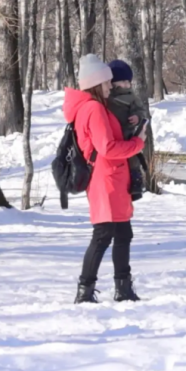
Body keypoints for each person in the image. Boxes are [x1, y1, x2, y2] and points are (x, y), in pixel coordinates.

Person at [62, 54, 147, 304]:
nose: (111, 86)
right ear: (97, 84)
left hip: (112, 178)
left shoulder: (94, 106)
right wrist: (137, 142)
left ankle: (123, 289)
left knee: (123, 233)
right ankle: (85, 291)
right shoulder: (94, 109)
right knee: (103, 234)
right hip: (106, 178)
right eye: (108, 82)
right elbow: (108, 147)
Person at [106, 59, 147, 201]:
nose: (126, 84)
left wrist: (137, 116)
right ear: (112, 81)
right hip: (112, 133)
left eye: (128, 82)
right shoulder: (106, 95)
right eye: (122, 81)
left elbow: (141, 111)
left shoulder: (132, 97)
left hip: (128, 132)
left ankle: (136, 181)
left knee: (132, 158)